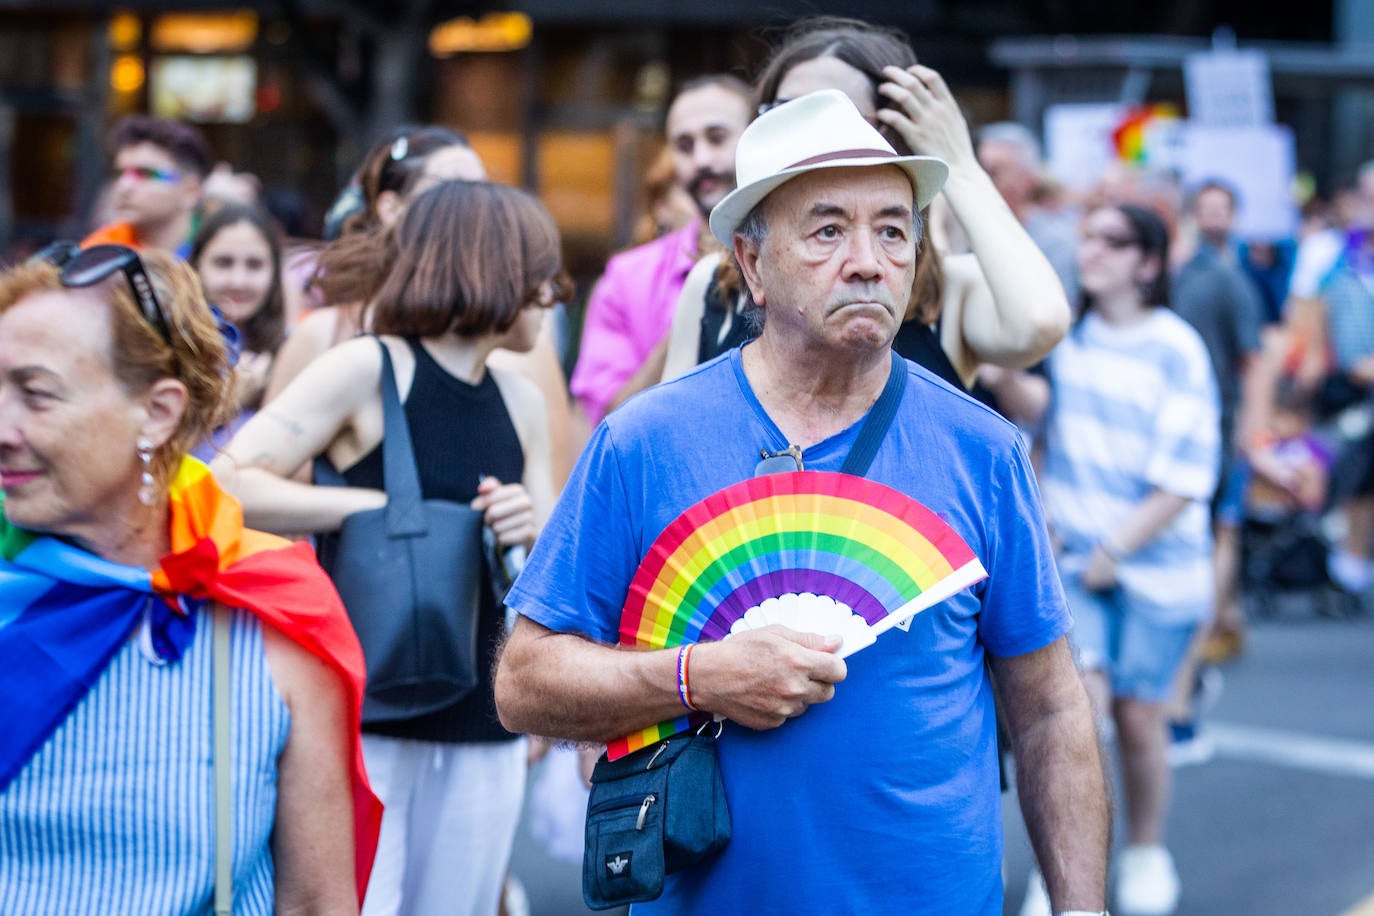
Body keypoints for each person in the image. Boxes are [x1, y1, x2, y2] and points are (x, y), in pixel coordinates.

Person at [495, 90, 1109, 915]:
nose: (868, 260)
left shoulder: (984, 450)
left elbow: (1049, 711)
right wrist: (697, 677)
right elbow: (524, 684)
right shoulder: (646, 442)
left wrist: (1081, 907)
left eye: (893, 230)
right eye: (828, 230)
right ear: (751, 263)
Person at [212, 180, 564, 916]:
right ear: (493, 266)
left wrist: (526, 530)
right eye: (541, 272)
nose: (553, 293)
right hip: (371, 712)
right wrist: (376, 507)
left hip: (484, 718)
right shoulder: (367, 367)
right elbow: (229, 483)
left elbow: (542, 581)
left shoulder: (522, 398)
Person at [0, 245, 379, 912]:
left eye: (36, 393)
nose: (4, 427)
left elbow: (317, 902)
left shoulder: (271, 619)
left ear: (157, 412)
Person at [660, 17, 1070, 392]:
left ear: (894, 133)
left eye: (842, 113)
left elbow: (1039, 323)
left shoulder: (946, 291)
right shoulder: (714, 283)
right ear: (752, 264)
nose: (809, 132)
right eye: (784, 111)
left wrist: (958, 163)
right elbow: (670, 443)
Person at [1028, 204, 1220, 916]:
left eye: (1112, 241)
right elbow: (1036, 425)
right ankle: (1062, 878)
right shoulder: (1066, 339)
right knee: (1078, 716)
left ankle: (1144, 849)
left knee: (1141, 718)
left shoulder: (1177, 347)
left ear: (1148, 262)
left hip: (1156, 568)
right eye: (1087, 235)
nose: (1092, 251)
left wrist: (1117, 549)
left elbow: (1185, 474)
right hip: (1077, 564)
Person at [569, 74, 752, 424]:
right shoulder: (627, 277)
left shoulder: (799, 257)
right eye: (684, 145)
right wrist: (696, 311)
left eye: (717, 138)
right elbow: (611, 423)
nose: (701, 159)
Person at [189, 203, 287, 457]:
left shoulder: (292, 347)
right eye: (223, 263)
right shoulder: (169, 344)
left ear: (275, 272)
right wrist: (227, 404)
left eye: (254, 265)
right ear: (196, 266)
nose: (238, 280)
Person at [976, 120, 1080, 302]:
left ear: (1026, 179)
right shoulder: (963, 232)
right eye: (978, 171)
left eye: (993, 172)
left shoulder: (1055, 242)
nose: (981, 181)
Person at [83, 115, 213, 257]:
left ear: (190, 191)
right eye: (120, 174)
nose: (123, 186)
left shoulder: (224, 249)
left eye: (145, 174)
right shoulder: (97, 256)